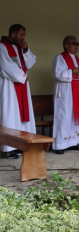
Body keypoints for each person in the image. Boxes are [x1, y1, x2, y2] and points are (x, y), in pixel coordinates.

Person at [0, 24, 36, 159]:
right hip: (9, 86)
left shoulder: (19, 47)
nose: (23, 38)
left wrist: (26, 49)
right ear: (13, 34)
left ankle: (20, 144)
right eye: (21, 35)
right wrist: (21, 76)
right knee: (10, 115)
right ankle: (7, 149)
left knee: (21, 116)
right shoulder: (2, 47)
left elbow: (30, 63)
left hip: (22, 85)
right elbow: (5, 65)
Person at [52, 36, 79, 154]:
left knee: (74, 117)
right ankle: (60, 144)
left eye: (77, 43)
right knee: (65, 116)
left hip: (77, 91)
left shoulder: (78, 59)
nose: (76, 46)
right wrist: (73, 71)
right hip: (65, 93)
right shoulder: (60, 58)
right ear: (66, 45)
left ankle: (73, 142)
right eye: (74, 43)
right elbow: (57, 73)